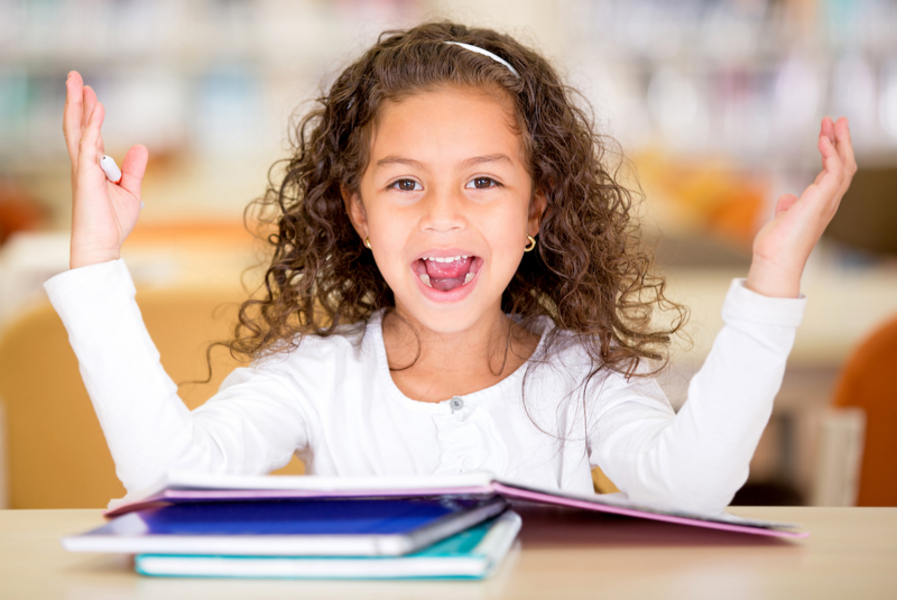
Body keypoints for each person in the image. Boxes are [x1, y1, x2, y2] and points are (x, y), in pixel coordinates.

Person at [50, 22, 855, 514]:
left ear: (535, 210)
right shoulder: (311, 377)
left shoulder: (580, 375)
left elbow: (691, 489)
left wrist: (772, 277)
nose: (442, 216)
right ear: (358, 214)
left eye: (483, 182)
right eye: (404, 184)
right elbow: (166, 479)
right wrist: (96, 264)